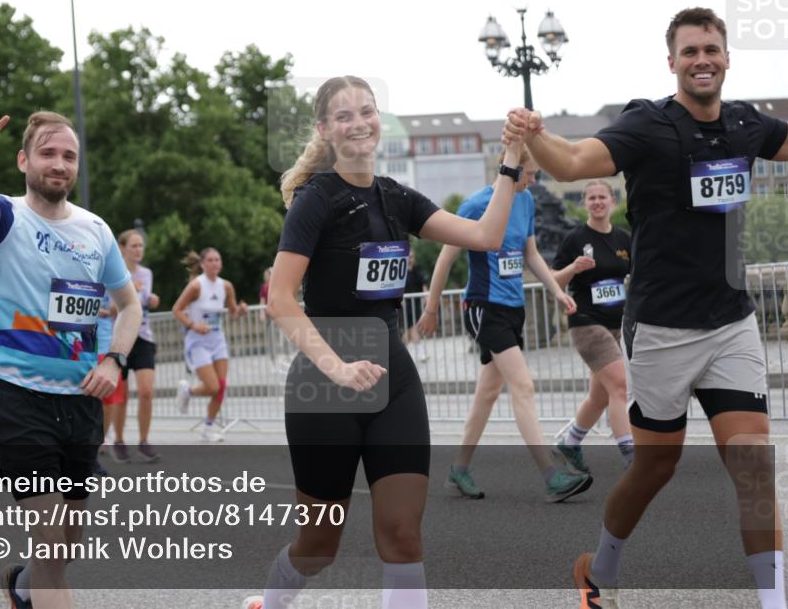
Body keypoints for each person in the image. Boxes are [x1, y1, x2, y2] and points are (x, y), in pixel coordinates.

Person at [504, 7, 788, 609]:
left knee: (754, 466)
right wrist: (534, 132)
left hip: (732, 323)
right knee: (654, 469)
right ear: (673, 63)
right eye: (690, 52)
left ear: (727, 57)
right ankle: (599, 567)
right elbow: (574, 162)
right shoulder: (648, 125)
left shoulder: (744, 125)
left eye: (711, 49)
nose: (702, 60)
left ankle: (773, 601)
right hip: (662, 328)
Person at [242, 75, 521, 609]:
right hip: (324, 388)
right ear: (325, 129)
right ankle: (272, 602)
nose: (358, 123)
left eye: (366, 112)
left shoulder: (397, 197)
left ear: (378, 121)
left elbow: (485, 235)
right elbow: (280, 298)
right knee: (318, 548)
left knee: (402, 536)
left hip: (393, 382)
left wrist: (510, 160)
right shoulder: (315, 200)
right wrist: (337, 367)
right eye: (343, 116)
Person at [0, 100, 142, 609]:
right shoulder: (4, 218)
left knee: (65, 546)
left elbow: (129, 308)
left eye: (69, 156)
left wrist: (112, 359)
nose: (59, 164)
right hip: (19, 398)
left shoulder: (96, 231)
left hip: (81, 401)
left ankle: (20, 587)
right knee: (52, 551)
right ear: (23, 161)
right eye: (47, 153)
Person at [417, 149, 590, 503]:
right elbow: (445, 258)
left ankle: (459, 469)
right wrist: (431, 308)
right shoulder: (476, 205)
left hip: (513, 307)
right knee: (523, 386)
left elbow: (531, 254)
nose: (534, 181)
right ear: (510, 170)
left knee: (488, 393)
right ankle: (551, 475)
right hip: (484, 306)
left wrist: (557, 290)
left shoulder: (525, 202)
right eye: (530, 173)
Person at [549, 180, 633, 472]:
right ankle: (631, 456)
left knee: (600, 396)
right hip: (586, 321)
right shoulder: (575, 238)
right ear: (585, 203)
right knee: (620, 386)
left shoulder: (623, 239)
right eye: (592, 198)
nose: (597, 202)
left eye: (602, 197)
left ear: (612, 201)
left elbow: (639, 276)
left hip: (617, 324)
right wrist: (573, 268)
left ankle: (569, 445)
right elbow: (553, 281)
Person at [172, 247, 247, 442]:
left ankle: (208, 428)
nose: (215, 263)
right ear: (203, 264)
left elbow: (233, 313)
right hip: (198, 341)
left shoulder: (226, 286)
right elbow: (177, 309)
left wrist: (241, 310)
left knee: (221, 386)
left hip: (217, 340)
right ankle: (187, 391)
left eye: (218, 259)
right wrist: (193, 325)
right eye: (211, 260)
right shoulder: (196, 286)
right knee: (212, 386)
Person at [102, 229, 161, 463]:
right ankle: (118, 440)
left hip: (144, 336)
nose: (138, 250)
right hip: (122, 338)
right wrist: (131, 294)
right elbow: (113, 310)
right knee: (122, 396)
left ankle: (144, 440)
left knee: (146, 392)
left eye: (141, 246)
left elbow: (145, 304)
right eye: (134, 246)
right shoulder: (116, 272)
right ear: (123, 248)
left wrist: (152, 298)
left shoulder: (147, 273)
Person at [402, 251, 429, 362]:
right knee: (413, 328)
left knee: (408, 332)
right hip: (406, 305)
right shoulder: (402, 271)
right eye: (409, 257)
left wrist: (426, 296)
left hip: (416, 303)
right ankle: (421, 353)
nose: (410, 259)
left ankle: (398, 352)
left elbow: (423, 284)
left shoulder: (417, 269)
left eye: (412, 256)